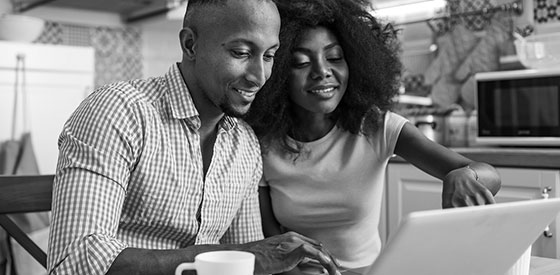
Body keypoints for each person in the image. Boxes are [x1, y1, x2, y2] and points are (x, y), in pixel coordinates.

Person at [46, 0, 341, 274]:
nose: (259, 75)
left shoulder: (245, 144)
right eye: (241, 53)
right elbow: (74, 259)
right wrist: (234, 255)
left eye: (269, 56)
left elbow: (249, 259)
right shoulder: (119, 112)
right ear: (190, 45)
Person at [245, 0, 502, 274]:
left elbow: (490, 176)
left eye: (334, 58)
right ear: (279, 73)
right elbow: (270, 236)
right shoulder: (262, 143)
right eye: (301, 62)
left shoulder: (376, 126)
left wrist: (464, 175)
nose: (322, 71)